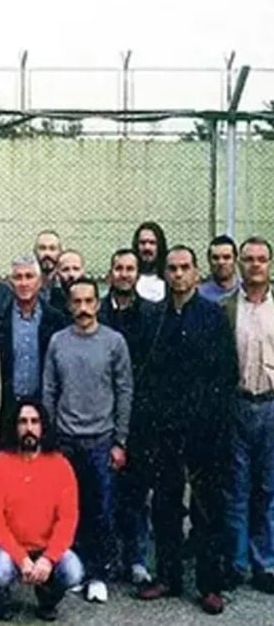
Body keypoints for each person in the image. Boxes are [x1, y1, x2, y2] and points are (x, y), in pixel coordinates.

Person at [134, 245, 234, 614]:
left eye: (184, 268)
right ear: (165, 273)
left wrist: (213, 422)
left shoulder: (212, 316)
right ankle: (168, 577)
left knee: (207, 508)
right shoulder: (156, 318)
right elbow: (146, 375)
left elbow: (225, 373)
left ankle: (209, 585)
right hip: (164, 430)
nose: (178, 274)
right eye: (172, 268)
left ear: (196, 273)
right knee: (165, 504)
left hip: (204, 429)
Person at [42, 277, 131, 604]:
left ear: (97, 303)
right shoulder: (58, 342)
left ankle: (98, 575)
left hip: (101, 440)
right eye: (76, 302)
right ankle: (75, 571)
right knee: (68, 512)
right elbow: (49, 390)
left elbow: (124, 391)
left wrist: (120, 440)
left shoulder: (114, 342)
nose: (82, 308)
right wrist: (50, 437)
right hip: (66, 440)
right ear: (69, 305)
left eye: (88, 301)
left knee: (101, 511)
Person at [97, 248, 162, 585]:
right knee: (104, 494)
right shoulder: (96, 312)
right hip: (99, 415)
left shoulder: (152, 314)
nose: (124, 274)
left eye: (129, 268)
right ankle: (108, 558)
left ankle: (137, 559)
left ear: (138, 273)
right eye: (118, 268)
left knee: (136, 493)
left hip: (139, 417)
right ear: (111, 273)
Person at [0, 402, 83, 622]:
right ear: (14, 426)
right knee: (0, 570)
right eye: (23, 422)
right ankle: (1, 598)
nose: (29, 428)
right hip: (10, 549)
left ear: (43, 426)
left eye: (34, 422)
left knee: (73, 572)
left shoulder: (61, 466)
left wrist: (48, 559)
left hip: (46, 548)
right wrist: (21, 558)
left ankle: (47, 599)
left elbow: (68, 519)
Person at [223, 237, 274, 593]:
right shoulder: (225, 309)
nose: (255, 265)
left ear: (270, 264)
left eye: (262, 259)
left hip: (271, 406)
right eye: (249, 258)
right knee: (235, 488)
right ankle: (236, 563)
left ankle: (266, 563)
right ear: (239, 264)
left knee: (269, 489)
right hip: (236, 405)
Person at [0, 256, 67, 449]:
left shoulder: (56, 320)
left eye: (29, 276)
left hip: (44, 408)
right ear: (11, 282)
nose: (24, 283)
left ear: (39, 281)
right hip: (9, 409)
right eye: (18, 277)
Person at [133, 221, 169, 303]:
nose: (147, 247)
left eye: (152, 243)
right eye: (142, 243)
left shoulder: (169, 278)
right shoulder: (129, 278)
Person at [201, 234, 240, 303]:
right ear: (209, 260)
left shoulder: (245, 291)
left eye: (226, 257)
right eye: (216, 258)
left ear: (235, 259)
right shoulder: (200, 295)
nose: (221, 262)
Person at [34, 230, 63, 305]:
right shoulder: (26, 284)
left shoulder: (65, 283)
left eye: (52, 248)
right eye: (42, 248)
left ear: (60, 252)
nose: (47, 253)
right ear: (35, 252)